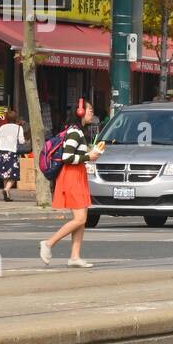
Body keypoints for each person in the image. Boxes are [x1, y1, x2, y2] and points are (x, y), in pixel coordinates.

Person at [40, 100, 103, 268]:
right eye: (90, 109)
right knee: (80, 218)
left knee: (82, 219)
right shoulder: (75, 132)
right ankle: (48, 243)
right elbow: (67, 157)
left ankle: (75, 256)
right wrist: (88, 157)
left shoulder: (77, 132)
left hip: (78, 176)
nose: (92, 113)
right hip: (72, 177)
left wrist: (89, 153)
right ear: (80, 112)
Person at [0, 108, 26, 203]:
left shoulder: (2, 127)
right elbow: (22, 141)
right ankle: (6, 189)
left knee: (5, 174)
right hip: (12, 151)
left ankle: (7, 195)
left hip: (1, 151)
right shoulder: (18, 128)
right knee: (14, 174)